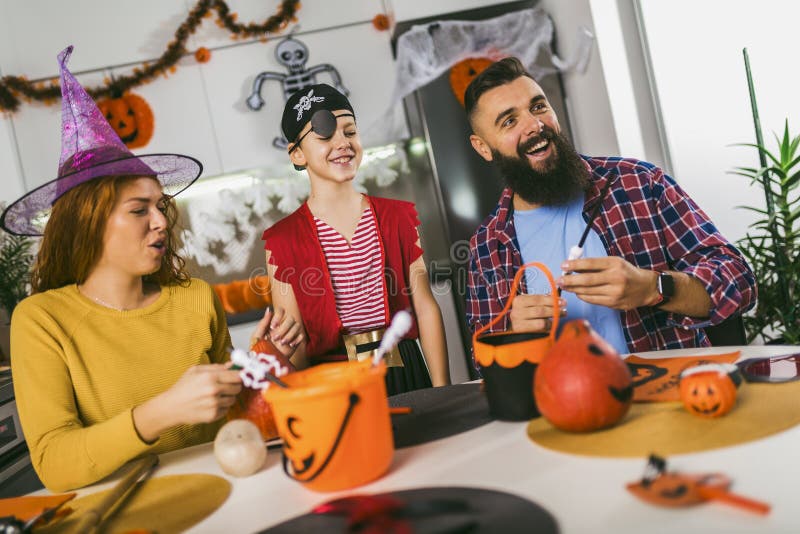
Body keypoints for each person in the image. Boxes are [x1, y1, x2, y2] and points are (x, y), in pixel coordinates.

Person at [3, 46, 242, 492]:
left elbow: (238, 415)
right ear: (88, 223)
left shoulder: (197, 298)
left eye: (160, 206)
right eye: (138, 210)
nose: (160, 222)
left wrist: (267, 362)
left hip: (230, 495)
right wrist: (163, 411)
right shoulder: (41, 321)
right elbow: (55, 464)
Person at [463, 57, 756, 358]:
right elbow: (482, 359)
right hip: (561, 401)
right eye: (509, 121)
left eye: (538, 107)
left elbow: (739, 281)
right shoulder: (487, 246)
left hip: (669, 395)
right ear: (483, 147)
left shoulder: (638, 184)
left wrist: (653, 288)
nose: (535, 125)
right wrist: (512, 336)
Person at [252, 84, 450, 395]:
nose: (342, 142)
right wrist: (280, 356)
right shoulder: (283, 241)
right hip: (334, 383)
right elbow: (296, 340)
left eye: (350, 131)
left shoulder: (398, 218)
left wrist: (442, 391)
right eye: (325, 135)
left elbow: (425, 308)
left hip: (405, 370)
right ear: (297, 153)